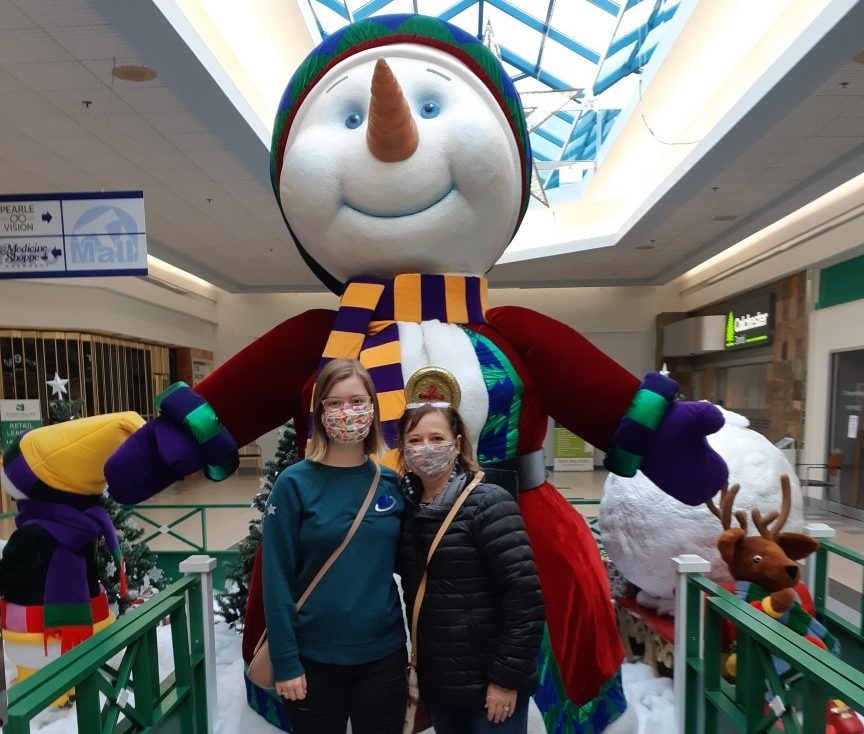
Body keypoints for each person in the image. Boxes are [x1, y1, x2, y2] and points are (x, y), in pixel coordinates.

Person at [263, 358, 406, 734]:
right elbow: (276, 578)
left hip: (383, 656)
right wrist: (286, 662)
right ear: (320, 412)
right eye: (334, 402)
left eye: (357, 401)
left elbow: (417, 566)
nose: (348, 412)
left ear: (373, 409)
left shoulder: (391, 484)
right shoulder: (294, 484)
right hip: (312, 661)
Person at [396, 401, 545, 733]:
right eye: (415, 440)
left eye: (437, 438)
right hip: (441, 689)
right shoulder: (407, 512)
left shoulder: (489, 503)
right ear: (403, 449)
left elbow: (524, 599)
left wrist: (505, 680)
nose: (426, 448)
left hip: (490, 690)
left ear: (458, 444)